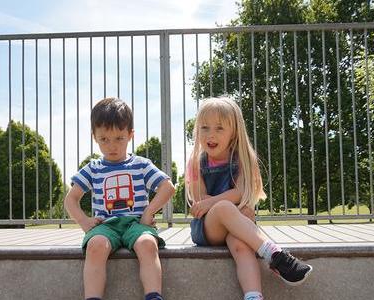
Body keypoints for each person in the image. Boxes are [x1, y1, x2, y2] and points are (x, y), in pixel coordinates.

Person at [186, 96, 312, 300]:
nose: (210, 134)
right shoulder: (196, 161)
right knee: (226, 208)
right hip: (208, 227)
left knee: (242, 244)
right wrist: (216, 204)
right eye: (204, 127)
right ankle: (274, 253)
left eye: (219, 128)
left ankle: (253, 296)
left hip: (238, 225)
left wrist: (225, 205)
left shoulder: (244, 157)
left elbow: (243, 192)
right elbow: (201, 200)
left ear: (234, 131)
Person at [64, 97, 175, 300]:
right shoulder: (93, 168)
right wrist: (84, 221)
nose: (111, 146)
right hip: (106, 225)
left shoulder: (141, 164)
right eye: (104, 139)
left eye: (119, 138)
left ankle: (153, 296)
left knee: (147, 245)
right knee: (95, 245)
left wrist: (149, 212)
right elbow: (71, 199)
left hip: (136, 223)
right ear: (94, 137)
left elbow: (167, 187)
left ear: (130, 135)